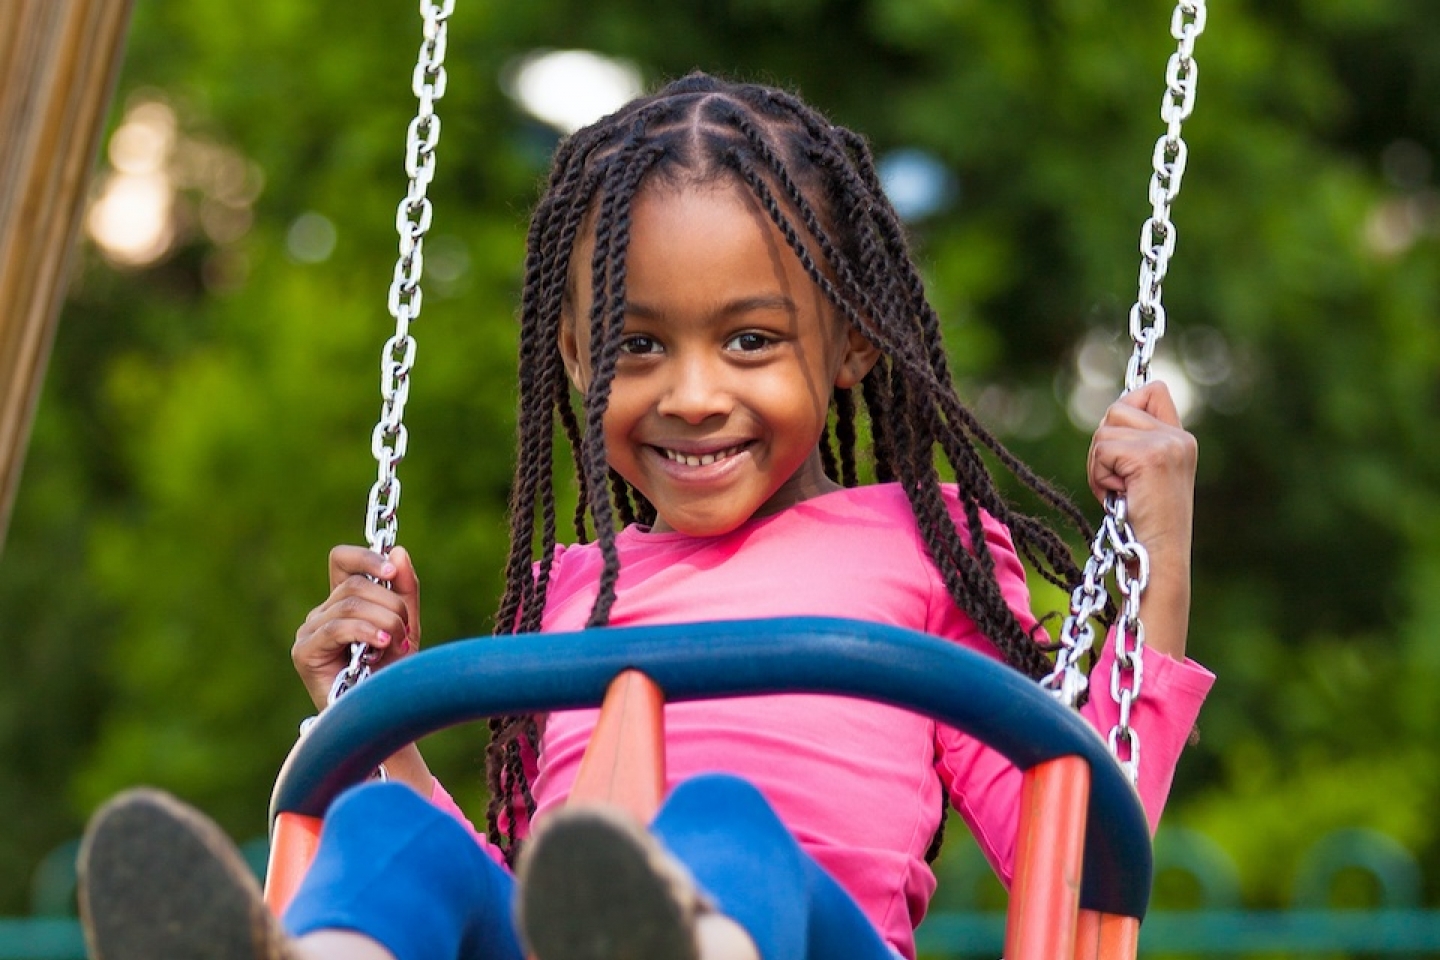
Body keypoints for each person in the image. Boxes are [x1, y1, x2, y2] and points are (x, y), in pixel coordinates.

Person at [78, 72, 1212, 960]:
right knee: (386, 832)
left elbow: (1076, 850)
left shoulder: (925, 548)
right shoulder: (579, 590)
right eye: (637, 346)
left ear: (855, 341)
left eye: (752, 340)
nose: (693, 392)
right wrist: (382, 731)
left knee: (718, 821)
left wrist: (1157, 551)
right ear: (575, 357)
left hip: (806, 941)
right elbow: (540, 901)